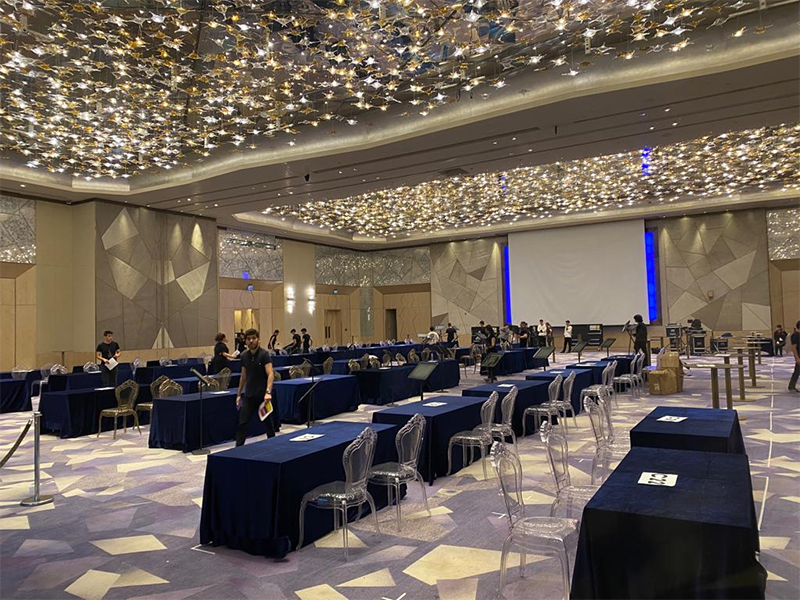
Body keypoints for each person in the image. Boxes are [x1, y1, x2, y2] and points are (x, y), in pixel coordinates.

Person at [235, 328, 275, 445]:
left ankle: (274, 444)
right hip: (249, 395)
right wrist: (238, 395)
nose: (251, 341)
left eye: (254, 338)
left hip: (263, 396)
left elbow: (270, 374)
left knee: (268, 424)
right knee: (242, 423)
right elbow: (243, 376)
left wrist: (268, 392)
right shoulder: (244, 356)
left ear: (258, 339)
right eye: (248, 339)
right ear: (245, 341)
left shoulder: (264, 354)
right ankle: (238, 449)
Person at [789, 321, 800, 392]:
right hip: (799, 356)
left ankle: (791, 386)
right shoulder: (795, 335)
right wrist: (797, 358)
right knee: (797, 372)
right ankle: (791, 386)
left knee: (797, 371)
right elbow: (793, 347)